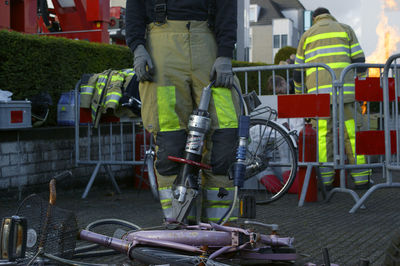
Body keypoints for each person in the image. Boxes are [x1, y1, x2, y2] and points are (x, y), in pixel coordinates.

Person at [125, 0, 240, 223]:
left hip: (208, 44)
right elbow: (135, 7)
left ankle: (221, 228)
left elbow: (227, 6)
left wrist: (225, 53)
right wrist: (137, 47)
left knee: (224, 132)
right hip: (162, 48)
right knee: (170, 138)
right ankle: (178, 223)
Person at [293, 7, 372, 189]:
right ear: (330, 15)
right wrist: (360, 88)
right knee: (352, 134)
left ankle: (326, 181)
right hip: (345, 93)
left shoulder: (307, 35)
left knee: (322, 137)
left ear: (315, 18)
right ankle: (361, 179)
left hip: (318, 96)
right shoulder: (345, 29)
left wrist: (299, 96)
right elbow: (360, 62)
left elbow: (297, 73)